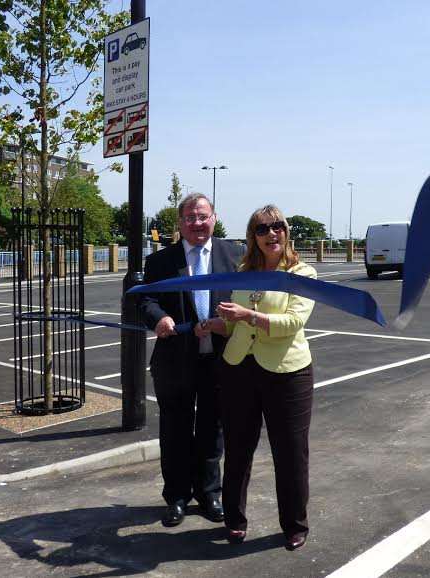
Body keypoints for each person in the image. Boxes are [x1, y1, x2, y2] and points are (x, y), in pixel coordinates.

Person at [195, 204, 316, 549]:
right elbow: (234, 323)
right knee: (237, 450)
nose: (271, 234)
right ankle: (234, 519)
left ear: (286, 231)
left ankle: (294, 524)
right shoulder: (244, 270)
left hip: (287, 373)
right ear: (253, 237)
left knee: (291, 453)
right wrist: (213, 325)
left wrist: (247, 315)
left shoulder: (302, 274)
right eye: (262, 229)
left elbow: (291, 323)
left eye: (276, 226)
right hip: (238, 369)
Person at [141, 192, 245, 527]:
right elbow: (146, 301)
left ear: (214, 218)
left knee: (213, 429)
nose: (197, 223)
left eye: (203, 216)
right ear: (180, 223)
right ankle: (176, 497)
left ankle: (210, 493)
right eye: (190, 218)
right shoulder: (160, 261)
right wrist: (158, 318)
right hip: (175, 360)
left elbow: (248, 296)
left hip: (221, 358)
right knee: (175, 429)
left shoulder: (236, 255)